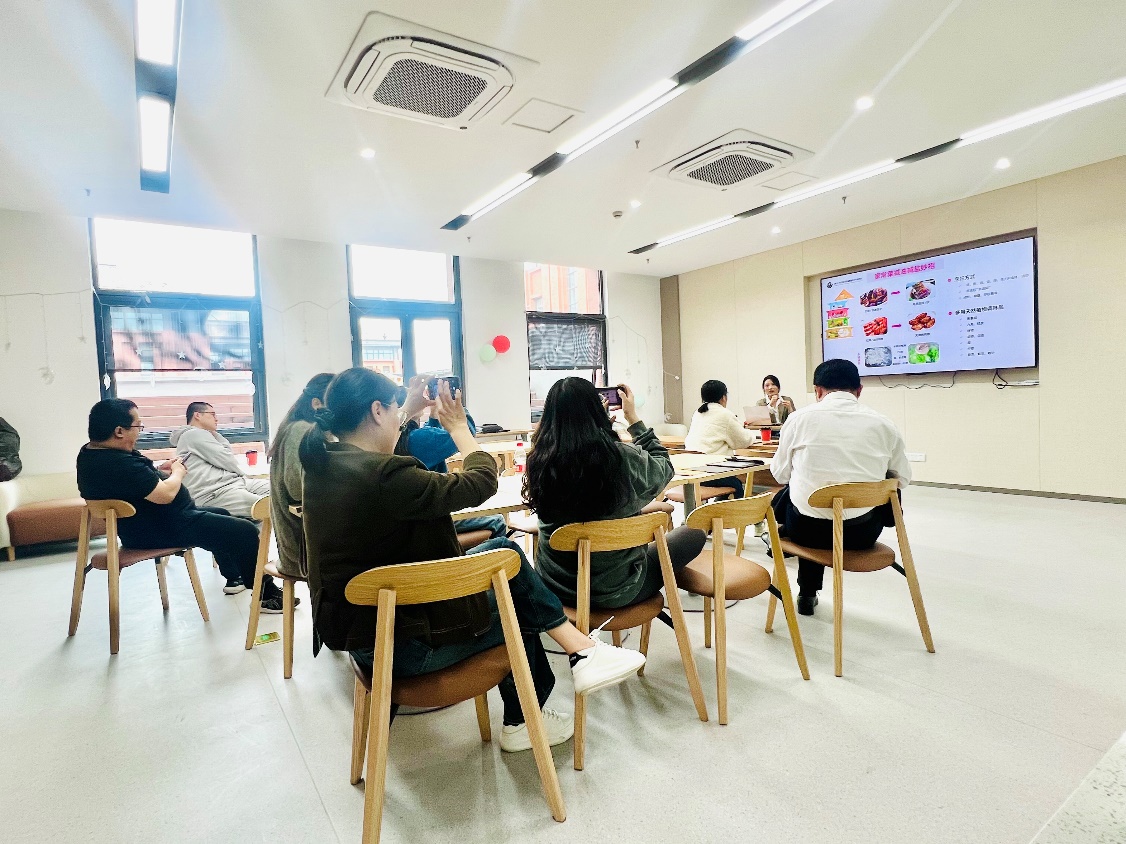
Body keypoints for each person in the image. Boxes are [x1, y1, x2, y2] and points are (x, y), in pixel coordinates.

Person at [298, 368, 645, 753]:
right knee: (518, 604)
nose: (399, 418)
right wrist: (460, 429)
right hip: (403, 645)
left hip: (365, 631)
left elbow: (383, 462)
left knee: (505, 554)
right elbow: (480, 481)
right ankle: (527, 716)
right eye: (394, 410)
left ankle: (578, 651)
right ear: (378, 411)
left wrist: (407, 410)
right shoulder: (384, 476)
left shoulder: (326, 465)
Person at [76, 399, 288, 612]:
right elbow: (165, 495)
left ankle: (235, 577)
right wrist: (177, 473)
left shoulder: (91, 455)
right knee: (245, 531)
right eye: (138, 426)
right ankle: (266, 595)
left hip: (150, 525)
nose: (139, 432)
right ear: (119, 431)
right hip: (165, 527)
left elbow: (133, 482)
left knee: (222, 514)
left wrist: (158, 470)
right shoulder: (119, 463)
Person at [523, 378, 707, 610]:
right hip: (616, 591)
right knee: (694, 532)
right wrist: (632, 418)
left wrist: (602, 432)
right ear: (597, 411)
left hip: (554, 587)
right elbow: (664, 467)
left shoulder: (539, 461)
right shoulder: (621, 457)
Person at [770, 359, 911, 616]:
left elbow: (779, 474)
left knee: (798, 498)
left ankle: (807, 592)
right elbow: (902, 479)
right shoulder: (884, 424)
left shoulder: (798, 419)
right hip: (861, 534)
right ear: (859, 390)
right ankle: (806, 589)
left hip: (806, 532)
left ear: (818, 391)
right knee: (835, 501)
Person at [406, 385, 507, 544]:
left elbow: (431, 436)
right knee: (498, 522)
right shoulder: (416, 439)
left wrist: (434, 415)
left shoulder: (405, 439)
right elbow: (464, 433)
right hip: (436, 516)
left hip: (422, 518)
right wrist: (457, 407)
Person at [269, 373, 334, 578]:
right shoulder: (300, 430)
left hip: (307, 547)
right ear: (316, 403)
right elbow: (297, 489)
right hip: (302, 556)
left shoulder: (304, 428)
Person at [171, 402, 270, 519]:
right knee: (266, 506)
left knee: (276, 489)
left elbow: (225, 458)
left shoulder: (206, 435)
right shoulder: (192, 434)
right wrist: (242, 474)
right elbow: (227, 460)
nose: (216, 419)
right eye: (212, 414)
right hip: (215, 492)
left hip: (232, 484)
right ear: (197, 415)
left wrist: (213, 433)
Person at [683, 379, 755, 498]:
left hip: (691, 469)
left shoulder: (698, 413)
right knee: (736, 484)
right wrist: (753, 435)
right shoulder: (725, 414)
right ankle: (734, 510)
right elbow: (743, 441)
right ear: (723, 397)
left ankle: (716, 507)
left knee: (730, 481)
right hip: (710, 471)